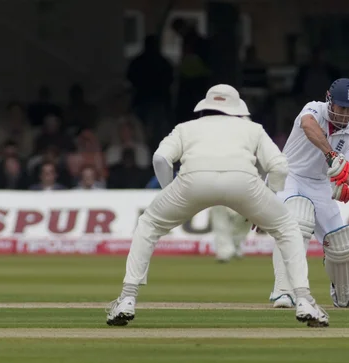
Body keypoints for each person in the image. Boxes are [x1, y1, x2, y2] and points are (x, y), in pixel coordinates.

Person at [105, 84, 328, 328]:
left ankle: (127, 298)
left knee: (148, 224)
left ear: (206, 107)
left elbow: (160, 158)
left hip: (192, 181)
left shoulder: (186, 128)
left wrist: (169, 190)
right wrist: (270, 199)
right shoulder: (252, 129)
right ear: (236, 109)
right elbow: (279, 166)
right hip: (244, 182)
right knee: (288, 228)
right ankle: (304, 300)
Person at [268, 78, 349, 309]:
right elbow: (308, 126)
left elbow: (348, 172)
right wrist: (331, 155)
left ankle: (346, 295)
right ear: (329, 100)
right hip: (290, 176)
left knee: (342, 242)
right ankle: (284, 292)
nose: (345, 114)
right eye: (342, 107)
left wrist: (343, 183)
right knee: (297, 223)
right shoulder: (313, 108)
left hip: (320, 184)